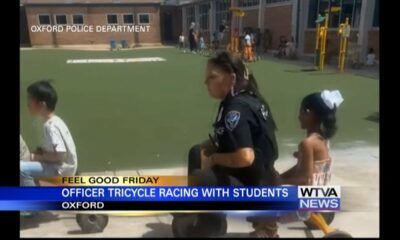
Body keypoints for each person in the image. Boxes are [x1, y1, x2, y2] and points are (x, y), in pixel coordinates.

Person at [173, 52, 280, 237]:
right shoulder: (247, 95)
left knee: (202, 178)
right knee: (197, 152)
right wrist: (208, 152)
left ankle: (212, 228)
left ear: (231, 78)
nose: (206, 82)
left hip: (255, 185)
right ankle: (204, 214)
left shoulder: (236, 108)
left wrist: (214, 159)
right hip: (260, 174)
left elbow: (245, 157)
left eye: (212, 77)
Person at [20, 80, 78, 187]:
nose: (27, 104)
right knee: (30, 166)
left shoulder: (51, 127)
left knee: (22, 169)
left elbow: (60, 155)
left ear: (42, 105)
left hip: (61, 170)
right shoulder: (56, 120)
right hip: (63, 166)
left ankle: (32, 199)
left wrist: (36, 157)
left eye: (30, 101)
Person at [280, 90, 344, 186]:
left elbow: (305, 177)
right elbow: (302, 167)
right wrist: (280, 177)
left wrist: (279, 182)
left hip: (306, 196)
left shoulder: (307, 143)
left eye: (301, 111)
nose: (299, 116)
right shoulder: (323, 140)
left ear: (309, 113)